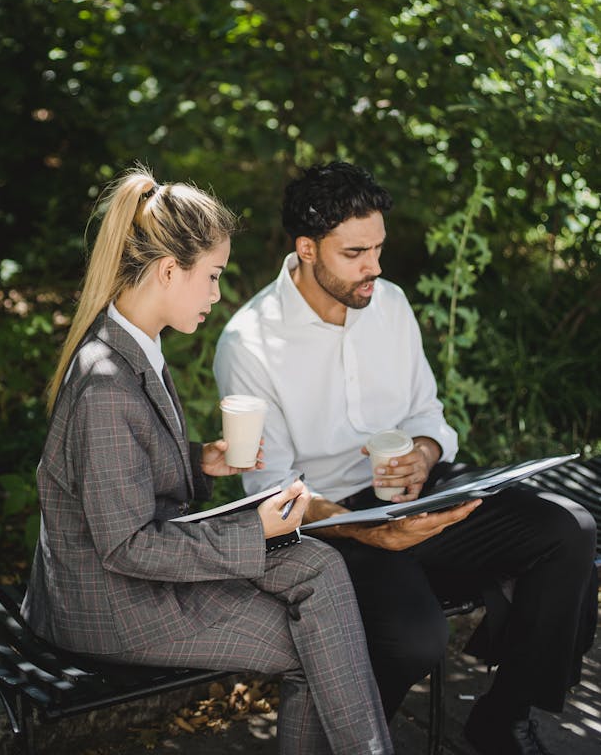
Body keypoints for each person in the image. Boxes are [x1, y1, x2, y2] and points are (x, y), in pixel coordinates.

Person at [214, 160, 598, 755]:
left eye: (379, 248)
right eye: (356, 253)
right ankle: (352, 739)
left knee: (568, 528)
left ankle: (504, 716)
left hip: (417, 497)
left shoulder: (388, 304)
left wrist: (423, 452)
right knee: (418, 638)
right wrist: (369, 535)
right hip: (330, 522)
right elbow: (270, 492)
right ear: (307, 249)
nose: (375, 267)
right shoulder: (249, 342)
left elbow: (428, 414)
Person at [21, 164, 393, 755]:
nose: (219, 294)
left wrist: (200, 462)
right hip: (110, 605)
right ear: (170, 270)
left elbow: (119, 473)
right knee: (317, 649)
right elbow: (127, 547)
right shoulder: (107, 384)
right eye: (213, 276)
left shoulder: (132, 343)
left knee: (319, 565)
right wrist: (254, 531)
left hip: (134, 572)